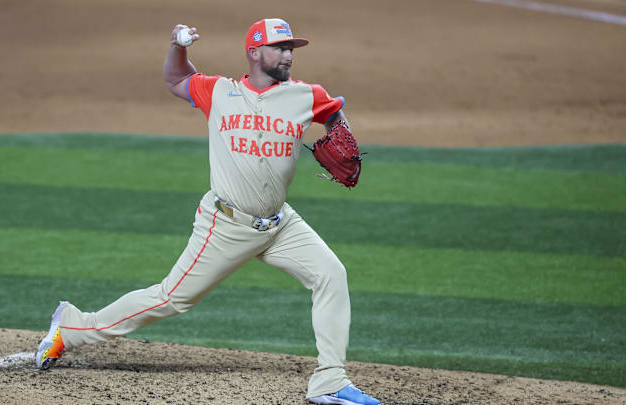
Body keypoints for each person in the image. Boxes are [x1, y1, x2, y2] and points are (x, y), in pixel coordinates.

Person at [35, 18, 380, 405]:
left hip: (281, 224)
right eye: (279, 47)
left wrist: (340, 132)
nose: (287, 55)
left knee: (331, 274)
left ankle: (330, 382)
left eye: (291, 49)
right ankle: (71, 327)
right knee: (170, 298)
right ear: (254, 52)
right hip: (226, 224)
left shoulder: (305, 95)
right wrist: (178, 48)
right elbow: (175, 81)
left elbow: (334, 114)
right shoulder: (219, 91)